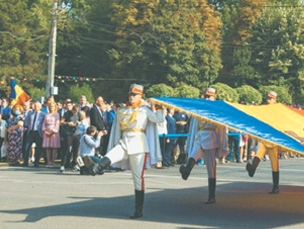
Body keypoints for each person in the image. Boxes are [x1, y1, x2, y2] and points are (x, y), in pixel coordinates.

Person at [82, 84, 165, 219]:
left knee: (137, 178)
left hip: (139, 144)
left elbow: (159, 119)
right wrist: (114, 142)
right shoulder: (122, 111)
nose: (131, 97)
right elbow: (117, 130)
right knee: (111, 155)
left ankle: (139, 209)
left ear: (140, 96)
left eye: (134, 95)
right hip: (124, 141)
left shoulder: (145, 110)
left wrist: (159, 107)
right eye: (130, 94)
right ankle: (95, 168)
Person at [180, 88, 228, 204]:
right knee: (193, 154)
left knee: (211, 168)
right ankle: (187, 171)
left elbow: (221, 129)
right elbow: (194, 126)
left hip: (211, 137)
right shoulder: (200, 109)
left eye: (209, 97)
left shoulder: (217, 111)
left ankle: (212, 195)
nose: (206, 99)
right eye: (205, 96)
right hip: (200, 136)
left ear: (213, 98)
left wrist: (223, 147)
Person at [246, 91, 282, 194]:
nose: (268, 100)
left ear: (275, 100)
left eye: (271, 99)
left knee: (275, 164)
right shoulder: (264, 109)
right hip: (265, 137)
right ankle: (252, 169)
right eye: (268, 98)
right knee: (258, 155)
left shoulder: (278, 110)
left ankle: (275, 187)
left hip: (274, 139)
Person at [22, 101, 45, 167]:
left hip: (38, 132)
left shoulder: (43, 114)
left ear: (40, 107)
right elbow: (26, 121)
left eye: (37, 106)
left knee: (38, 148)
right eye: (35, 106)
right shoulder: (30, 113)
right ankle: (25, 162)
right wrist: (25, 127)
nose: (36, 107)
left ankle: (36, 162)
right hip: (31, 131)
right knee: (27, 147)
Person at [42, 99, 61, 166]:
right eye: (50, 106)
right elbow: (44, 123)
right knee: (47, 147)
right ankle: (48, 161)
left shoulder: (57, 114)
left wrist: (53, 131)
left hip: (54, 132)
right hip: (47, 131)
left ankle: (53, 161)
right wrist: (45, 130)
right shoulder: (47, 114)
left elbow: (57, 124)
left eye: (53, 106)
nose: (51, 107)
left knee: (54, 147)